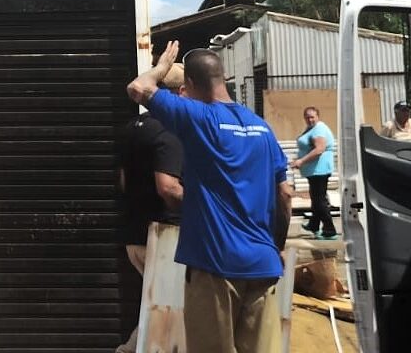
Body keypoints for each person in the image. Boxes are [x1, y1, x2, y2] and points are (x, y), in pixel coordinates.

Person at [127, 42, 292, 353]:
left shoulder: (199, 118)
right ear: (224, 77)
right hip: (262, 264)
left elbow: (138, 87)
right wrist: (277, 246)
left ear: (189, 84)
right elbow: (284, 193)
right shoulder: (262, 128)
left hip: (215, 265)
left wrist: (162, 67)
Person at [116, 63, 184, 353]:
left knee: (159, 306)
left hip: (134, 234)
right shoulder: (170, 130)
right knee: (173, 306)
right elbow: (167, 187)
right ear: (180, 92)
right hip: (164, 234)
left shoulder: (131, 128)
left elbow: (121, 181)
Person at [290, 106, 338, 241]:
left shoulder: (319, 129)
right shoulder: (312, 129)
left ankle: (329, 229)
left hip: (319, 170)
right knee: (316, 198)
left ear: (318, 116)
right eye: (307, 117)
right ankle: (314, 224)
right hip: (315, 170)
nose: (310, 119)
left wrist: (301, 161)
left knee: (319, 200)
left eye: (312, 116)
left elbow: (319, 149)